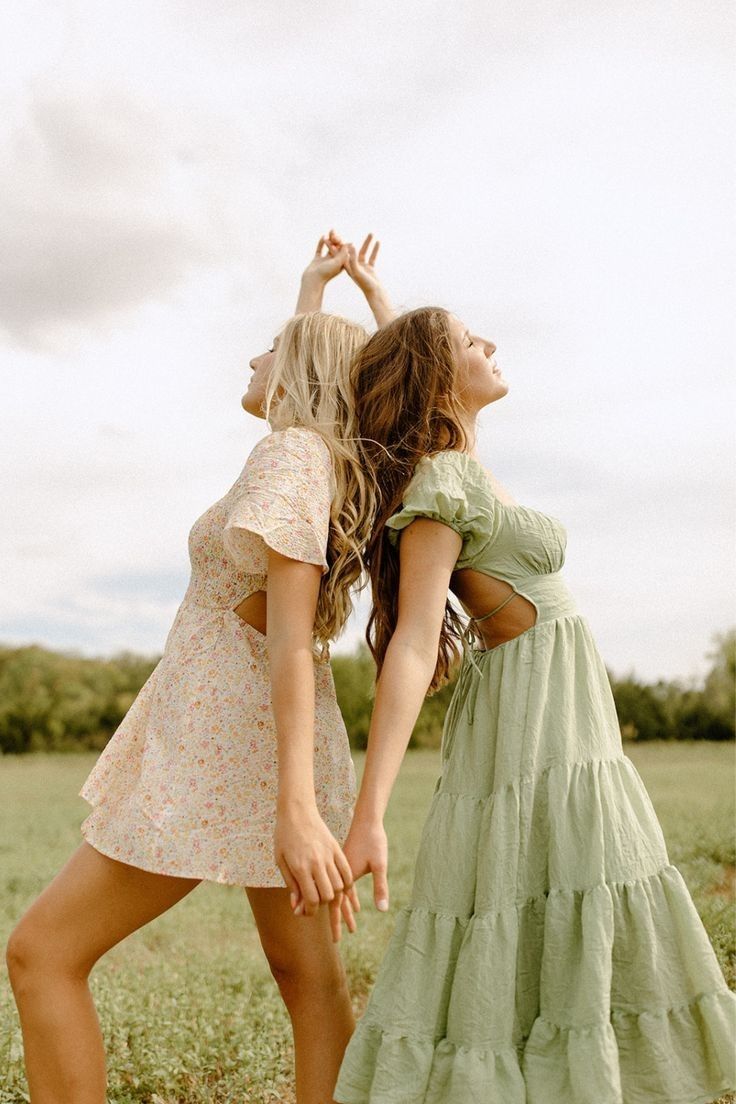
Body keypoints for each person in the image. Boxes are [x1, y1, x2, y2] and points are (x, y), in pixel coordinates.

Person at [331, 302, 736, 1103]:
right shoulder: (445, 477)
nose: (489, 343)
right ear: (441, 375)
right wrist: (370, 811)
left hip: (566, 718)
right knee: (563, 885)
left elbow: (419, 361)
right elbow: (414, 641)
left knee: (580, 886)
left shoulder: (464, 463)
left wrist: (385, 299)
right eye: (469, 341)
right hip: (531, 724)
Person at [5, 236, 374, 1104]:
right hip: (257, 739)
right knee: (308, 980)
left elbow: (287, 639)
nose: (253, 357)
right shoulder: (315, 457)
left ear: (299, 376)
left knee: (40, 953)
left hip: (221, 753)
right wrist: (314, 290)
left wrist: (295, 812)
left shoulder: (291, 458)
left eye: (271, 348)